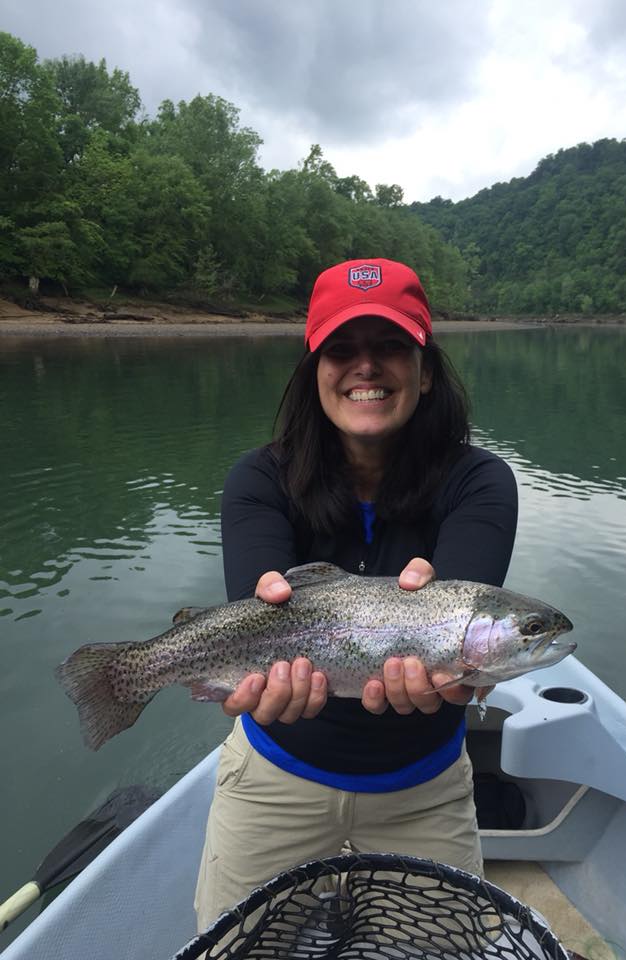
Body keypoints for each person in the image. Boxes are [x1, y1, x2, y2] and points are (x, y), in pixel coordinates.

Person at [194, 258, 518, 931]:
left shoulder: (480, 482)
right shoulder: (258, 480)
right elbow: (254, 622)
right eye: (341, 349)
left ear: (425, 372)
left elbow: (463, 644)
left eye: (390, 346)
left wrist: (458, 673)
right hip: (274, 777)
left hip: (424, 789)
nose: (365, 366)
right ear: (314, 371)